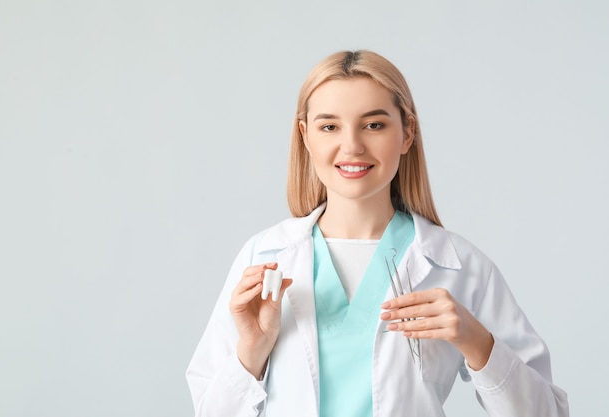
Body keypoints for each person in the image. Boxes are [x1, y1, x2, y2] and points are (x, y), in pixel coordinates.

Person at [186, 50, 569, 417]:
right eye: (329, 126)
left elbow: (548, 414)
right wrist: (252, 351)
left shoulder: (459, 266)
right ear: (305, 136)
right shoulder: (264, 256)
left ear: (406, 133)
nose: (351, 145)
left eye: (374, 124)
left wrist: (477, 340)